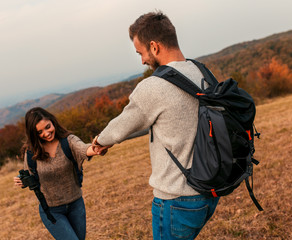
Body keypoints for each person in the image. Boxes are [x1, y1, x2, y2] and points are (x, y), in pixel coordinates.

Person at [92, 11, 219, 240]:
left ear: (154, 46)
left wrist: (100, 141)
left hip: (177, 198)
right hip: (210, 192)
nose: (142, 60)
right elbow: (163, 119)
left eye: (141, 53)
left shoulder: (153, 86)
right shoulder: (202, 71)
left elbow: (121, 126)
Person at [13, 107, 98, 240]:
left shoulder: (68, 141)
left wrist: (96, 148)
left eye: (48, 127)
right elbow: (28, 174)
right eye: (39, 132)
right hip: (52, 211)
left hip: (76, 204)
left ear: (53, 122)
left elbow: (84, 149)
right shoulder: (31, 152)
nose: (46, 133)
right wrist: (21, 180)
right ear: (34, 134)